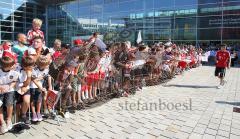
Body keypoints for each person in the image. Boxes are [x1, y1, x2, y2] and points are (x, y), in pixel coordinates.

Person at [0, 52, 19, 134]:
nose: (12, 67)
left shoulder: (14, 72)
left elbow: (14, 81)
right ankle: (2, 122)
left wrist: (9, 87)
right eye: (10, 66)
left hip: (9, 90)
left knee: (9, 104)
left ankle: (8, 119)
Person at [30, 55, 51, 122]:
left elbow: (46, 77)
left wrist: (48, 86)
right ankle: (34, 113)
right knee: (33, 100)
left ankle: (38, 112)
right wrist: (41, 87)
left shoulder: (46, 69)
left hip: (40, 86)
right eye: (43, 65)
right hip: (33, 86)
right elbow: (34, 80)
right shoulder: (34, 69)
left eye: (46, 65)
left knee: (39, 100)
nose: (45, 66)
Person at [15, 56, 35, 124]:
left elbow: (26, 85)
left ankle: (23, 115)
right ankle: (17, 120)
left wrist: (29, 77)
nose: (32, 68)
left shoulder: (31, 70)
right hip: (17, 89)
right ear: (25, 66)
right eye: (30, 66)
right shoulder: (18, 70)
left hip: (26, 88)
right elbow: (21, 84)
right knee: (17, 105)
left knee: (26, 101)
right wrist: (28, 77)